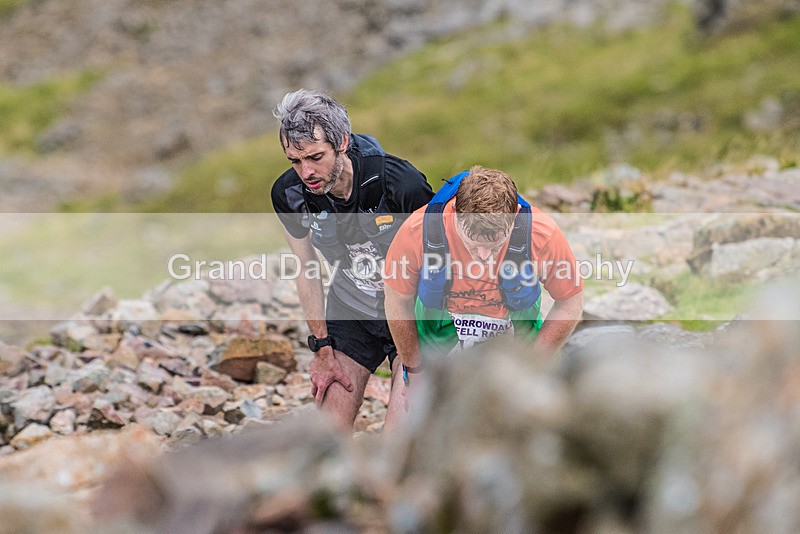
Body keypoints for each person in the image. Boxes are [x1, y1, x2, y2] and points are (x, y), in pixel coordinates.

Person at [270, 89, 434, 429]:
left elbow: (443, 264)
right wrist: (321, 348)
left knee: (397, 443)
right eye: (295, 161)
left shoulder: (400, 183)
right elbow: (307, 268)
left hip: (410, 314)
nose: (306, 172)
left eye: (316, 157)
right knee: (326, 437)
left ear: (342, 142)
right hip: (352, 308)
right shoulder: (289, 194)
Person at [383, 165, 583, 421]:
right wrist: (414, 370)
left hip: (514, 341)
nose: (485, 256)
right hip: (438, 336)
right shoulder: (417, 230)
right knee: (408, 417)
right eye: (474, 245)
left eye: (495, 245)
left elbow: (570, 301)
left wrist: (534, 362)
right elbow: (396, 299)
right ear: (455, 214)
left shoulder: (542, 233)